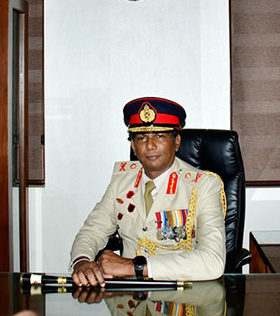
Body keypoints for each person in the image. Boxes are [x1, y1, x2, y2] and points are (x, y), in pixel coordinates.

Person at [70, 97, 226, 286]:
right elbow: (92, 231)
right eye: (142, 138)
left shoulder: (203, 186)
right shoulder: (121, 182)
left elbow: (213, 261)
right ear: (133, 146)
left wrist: (134, 267)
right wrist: (82, 261)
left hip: (181, 292)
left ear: (176, 142)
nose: (150, 146)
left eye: (159, 136)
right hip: (126, 293)